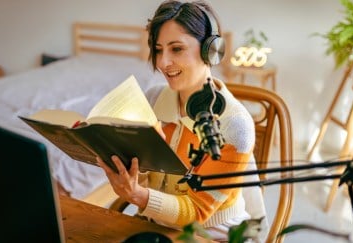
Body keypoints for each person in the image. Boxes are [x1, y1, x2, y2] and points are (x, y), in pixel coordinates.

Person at [97, 0, 257, 241]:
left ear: (210, 50)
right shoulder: (153, 99)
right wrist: (131, 172)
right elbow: (145, 179)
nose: (162, 62)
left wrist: (139, 196)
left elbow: (197, 212)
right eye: (159, 49)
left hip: (212, 235)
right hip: (156, 225)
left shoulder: (235, 125)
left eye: (177, 49)